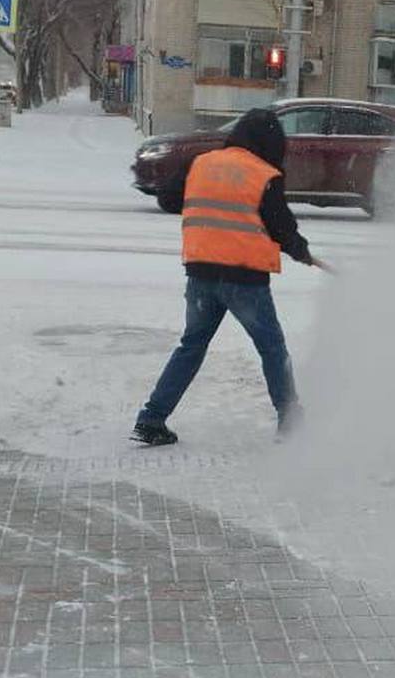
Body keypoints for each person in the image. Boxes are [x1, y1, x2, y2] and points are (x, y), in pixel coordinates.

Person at [132, 109, 317, 446]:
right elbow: (282, 228)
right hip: (244, 279)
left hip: (201, 274)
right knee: (272, 348)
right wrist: (299, 250)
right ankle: (290, 418)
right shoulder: (264, 174)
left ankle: (152, 418)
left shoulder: (201, 163)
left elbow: (171, 197)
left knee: (191, 346)